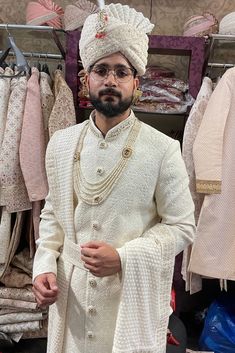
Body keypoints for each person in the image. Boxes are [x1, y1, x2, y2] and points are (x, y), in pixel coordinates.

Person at [32, 3, 195, 353]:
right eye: (101, 70)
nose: (110, 80)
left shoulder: (164, 149)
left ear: (136, 83)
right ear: (85, 79)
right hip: (71, 296)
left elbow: (182, 227)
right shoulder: (60, 144)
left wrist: (124, 257)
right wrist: (43, 264)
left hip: (128, 299)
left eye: (121, 72)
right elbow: (52, 213)